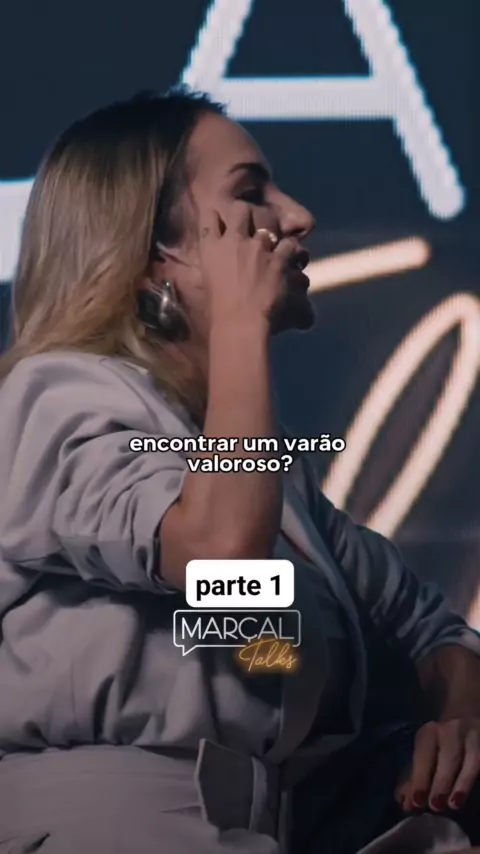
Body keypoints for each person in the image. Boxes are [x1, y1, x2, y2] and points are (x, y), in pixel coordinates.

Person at [0, 88, 479, 854]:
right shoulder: (57, 394)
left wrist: (456, 728)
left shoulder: (272, 484)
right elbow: (218, 550)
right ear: (158, 252)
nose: (299, 218)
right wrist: (238, 323)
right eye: (252, 194)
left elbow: (429, 628)